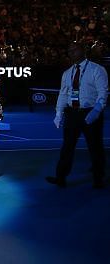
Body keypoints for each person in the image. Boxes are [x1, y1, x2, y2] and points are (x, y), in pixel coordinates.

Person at [47, 41, 107, 188]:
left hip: (90, 113)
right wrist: (59, 113)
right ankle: (60, 178)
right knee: (67, 147)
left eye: (74, 50)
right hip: (72, 114)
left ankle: (98, 179)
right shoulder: (67, 73)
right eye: (69, 50)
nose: (71, 53)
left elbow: (103, 92)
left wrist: (96, 110)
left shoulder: (96, 70)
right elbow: (63, 94)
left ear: (83, 50)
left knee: (95, 147)